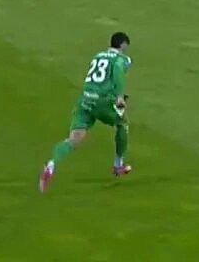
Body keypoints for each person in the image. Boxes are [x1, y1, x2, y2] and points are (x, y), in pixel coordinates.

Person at [38, 32, 132, 192]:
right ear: (123, 45)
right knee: (122, 124)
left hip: (85, 100)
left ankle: (51, 165)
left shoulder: (97, 56)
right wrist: (119, 96)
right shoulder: (121, 59)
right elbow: (116, 70)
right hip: (102, 102)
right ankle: (118, 165)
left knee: (73, 140)